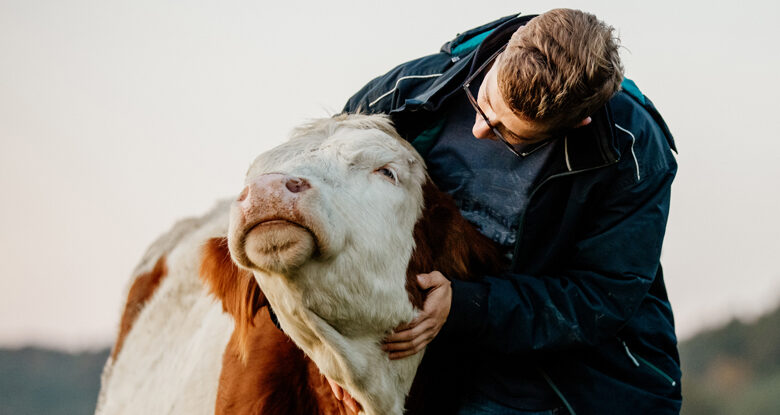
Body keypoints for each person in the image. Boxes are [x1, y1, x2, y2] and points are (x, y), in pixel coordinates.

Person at [338, 9, 681, 414]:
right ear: (508, 46)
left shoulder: (636, 152)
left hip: (567, 378)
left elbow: (598, 298)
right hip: (427, 351)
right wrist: (326, 348)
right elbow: (321, 186)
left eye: (508, 135)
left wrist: (464, 306)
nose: (481, 129)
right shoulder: (413, 89)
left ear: (579, 123)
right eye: (483, 100)